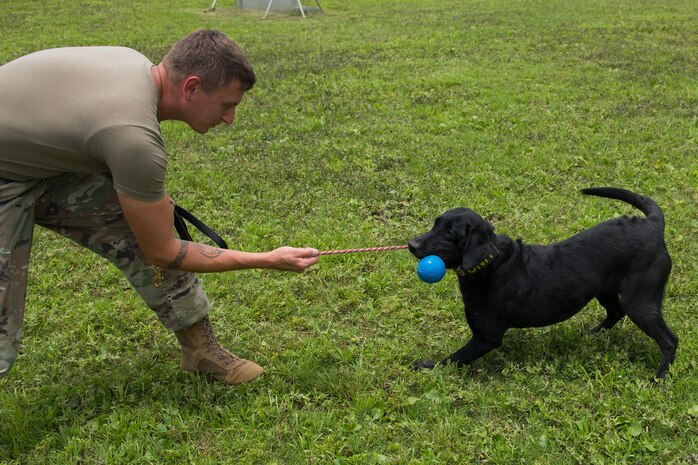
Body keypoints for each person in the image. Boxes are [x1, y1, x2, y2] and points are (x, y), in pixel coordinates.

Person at [0, 29, 319, 385]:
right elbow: (164, 253)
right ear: (192, 87)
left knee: (145, 225)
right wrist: (266, 259)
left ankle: (200, 350)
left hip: (36, 161)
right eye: (227, 105)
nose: (229, 119)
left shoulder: (131, 61)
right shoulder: (133, 136)